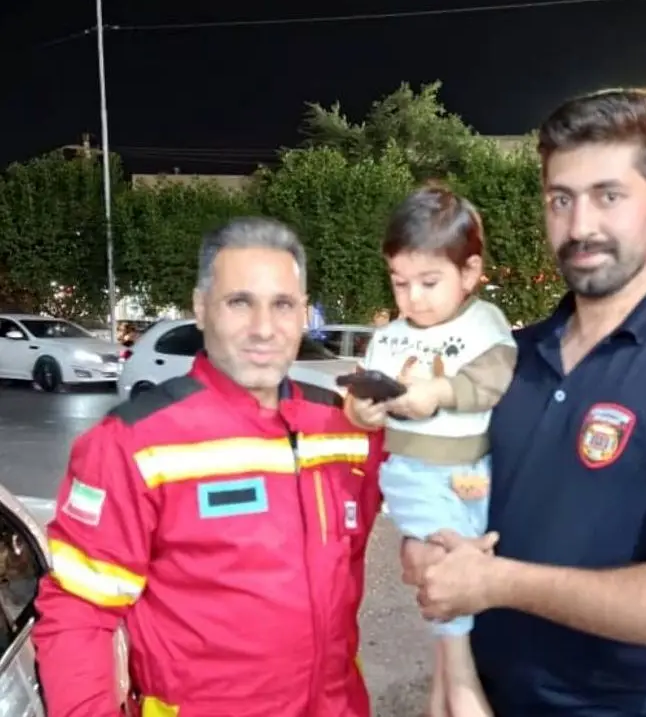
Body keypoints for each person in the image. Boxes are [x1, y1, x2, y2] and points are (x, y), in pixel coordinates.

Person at [402, 89, 646, 717]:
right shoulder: (505, 359)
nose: (580, 227)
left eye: (608, 196)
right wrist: (451, 662)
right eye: (561, 199)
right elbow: (445, 511)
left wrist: (499, 583)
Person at [34, 217, 385, 717]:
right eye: (239, 302)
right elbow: (80, 612)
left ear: (304, 312)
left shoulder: (342, 427)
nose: (264, 328)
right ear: (201, 308)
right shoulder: (132, 445)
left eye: (283, 304)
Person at [345, 185, 517, 717]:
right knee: (449, 574)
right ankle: (463, 686)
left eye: (428, 281)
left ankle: (445, 692)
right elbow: (359, 398)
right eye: (400, 283)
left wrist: (438, 393)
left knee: (461, 575)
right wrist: (362, 412)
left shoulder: (484, 323)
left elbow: (494, 379)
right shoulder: (389, 337)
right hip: (415, 475)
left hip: (476, 474)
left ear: (469, 273)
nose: (413, 298)